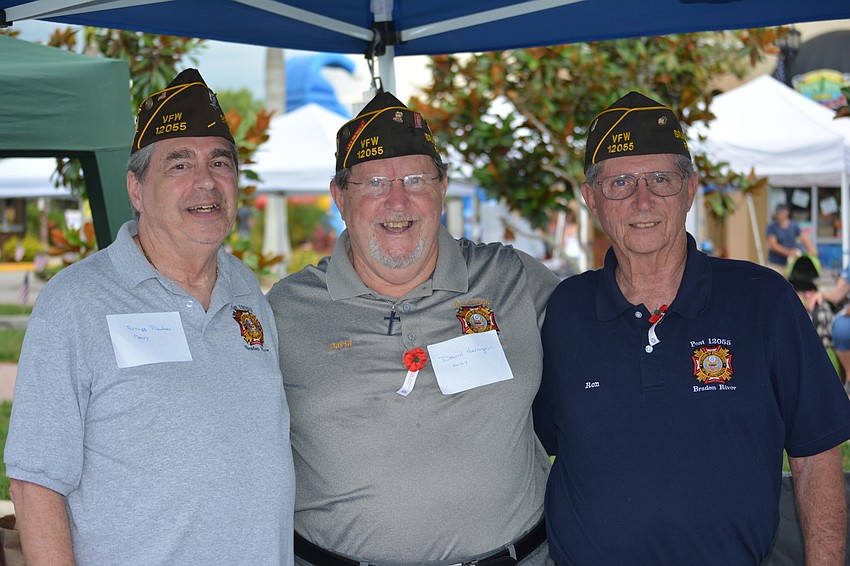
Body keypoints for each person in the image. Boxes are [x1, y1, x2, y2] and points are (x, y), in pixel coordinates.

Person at [533, 91, 850, 565]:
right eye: (619, 182)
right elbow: (534, 443)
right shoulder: (563, 311)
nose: (643, 200)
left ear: (690, 189)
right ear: (591, 198)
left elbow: (817, 457)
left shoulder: (763, 300)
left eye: (660, 179)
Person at [4, 69, 295, 566]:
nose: (206, 182)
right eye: (179, 165)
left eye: (219, 162)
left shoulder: (247, 290)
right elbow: (36, 483)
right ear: (136, 190)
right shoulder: (76, 302)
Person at [266, 91, 559, 566]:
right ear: (340, 197)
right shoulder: (288, 308)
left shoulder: (515, 281)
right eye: (375, 182)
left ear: (442, 187)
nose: (397, 200)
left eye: (416, 179)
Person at [766, 203, 818, 271]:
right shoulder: (772, 227)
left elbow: (804, 238)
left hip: (790, 263)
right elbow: (774, 246)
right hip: (776, 264)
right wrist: (789, 252)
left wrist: (811, 249)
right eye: (777, 213)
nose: (778, 216)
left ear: (786, 213)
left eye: (780, 213)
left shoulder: (793, 225)